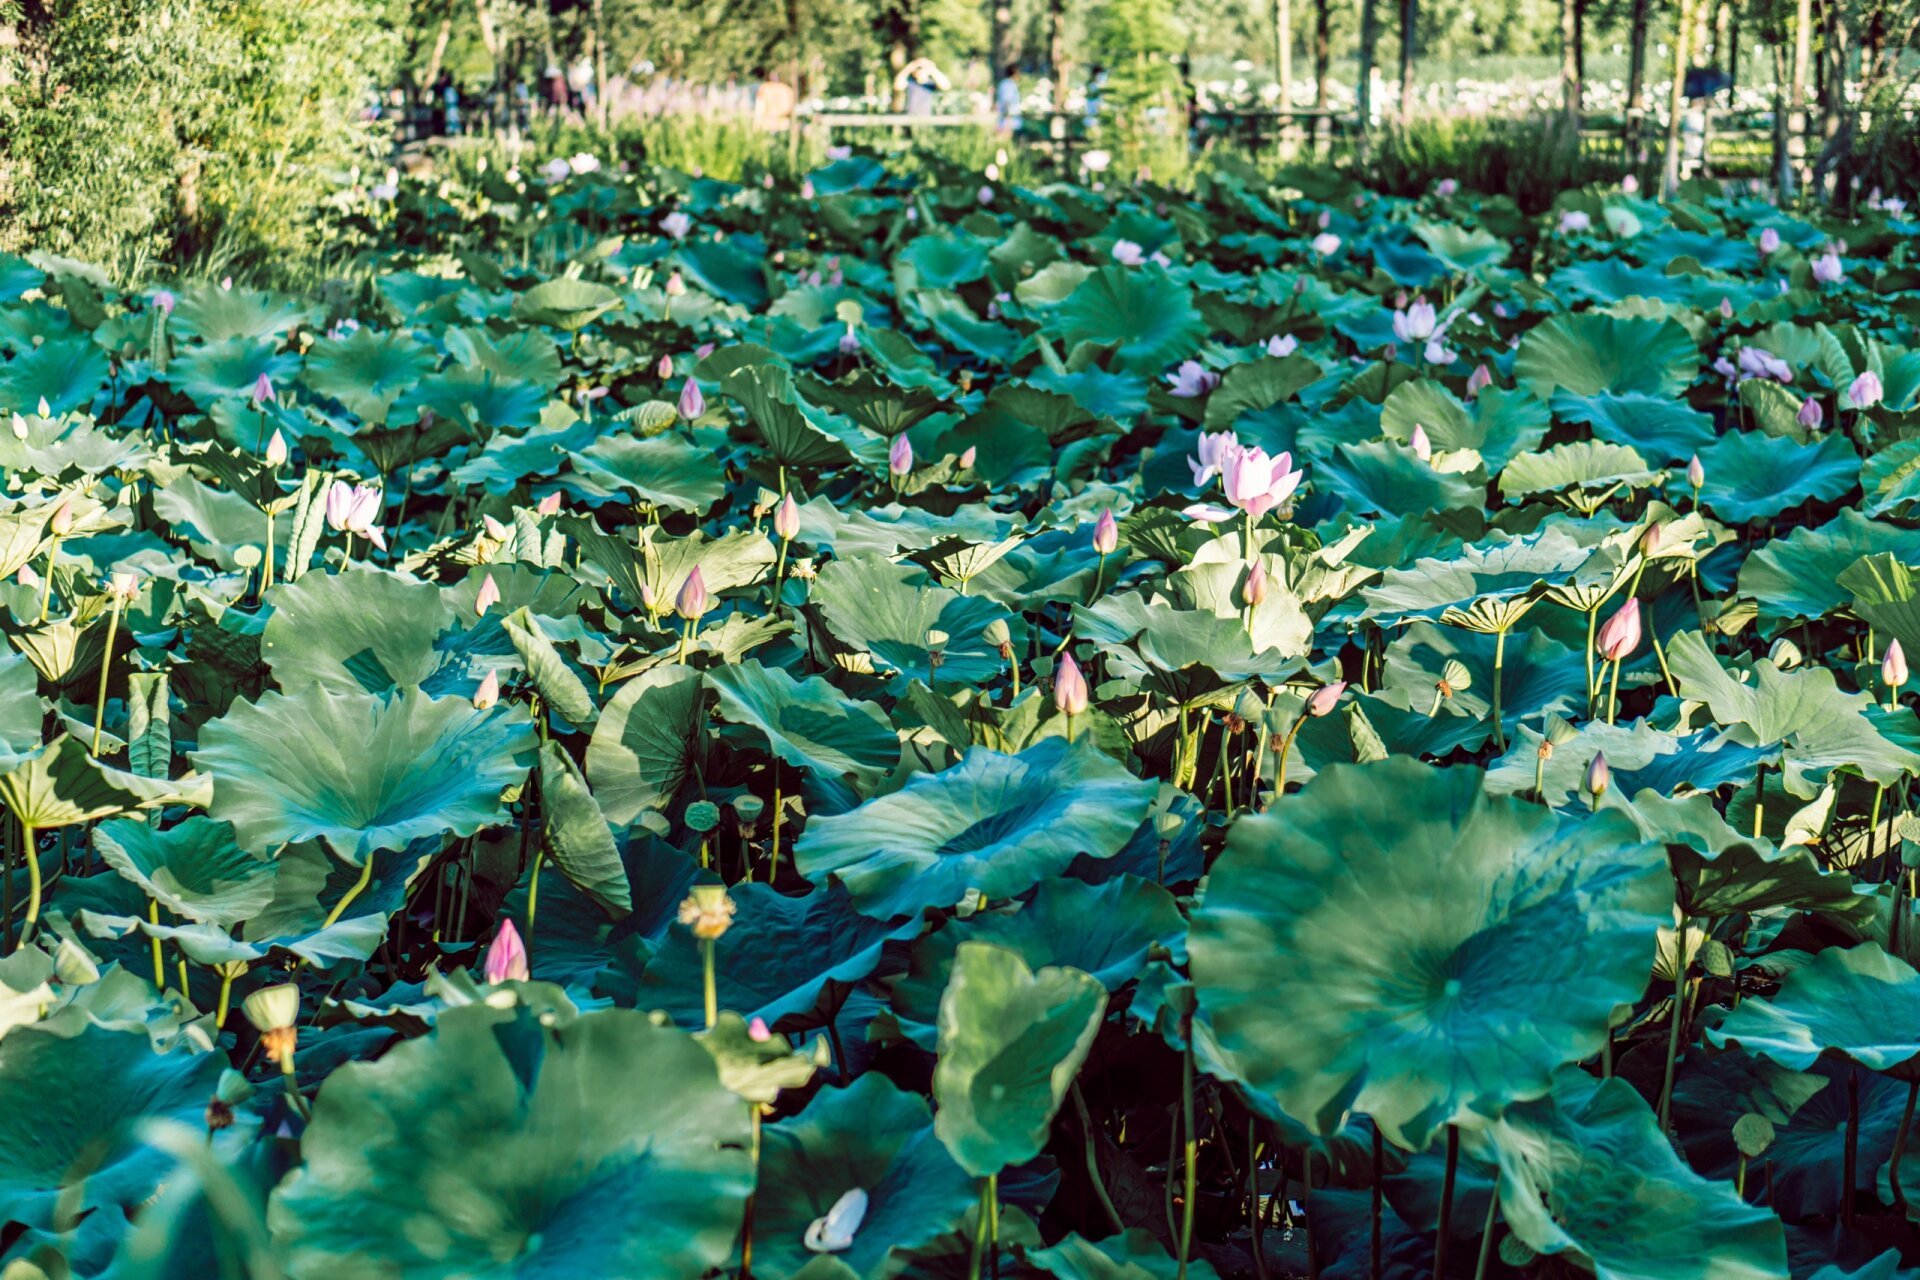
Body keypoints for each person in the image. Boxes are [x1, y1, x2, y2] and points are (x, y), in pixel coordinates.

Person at [995, 64, 1022, 135]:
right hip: (1008, 123)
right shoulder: (1008, 85)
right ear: (1015, 73)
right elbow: (1007, 102)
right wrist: (1008, 121)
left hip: (1011, 122)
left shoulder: (1007, 84)